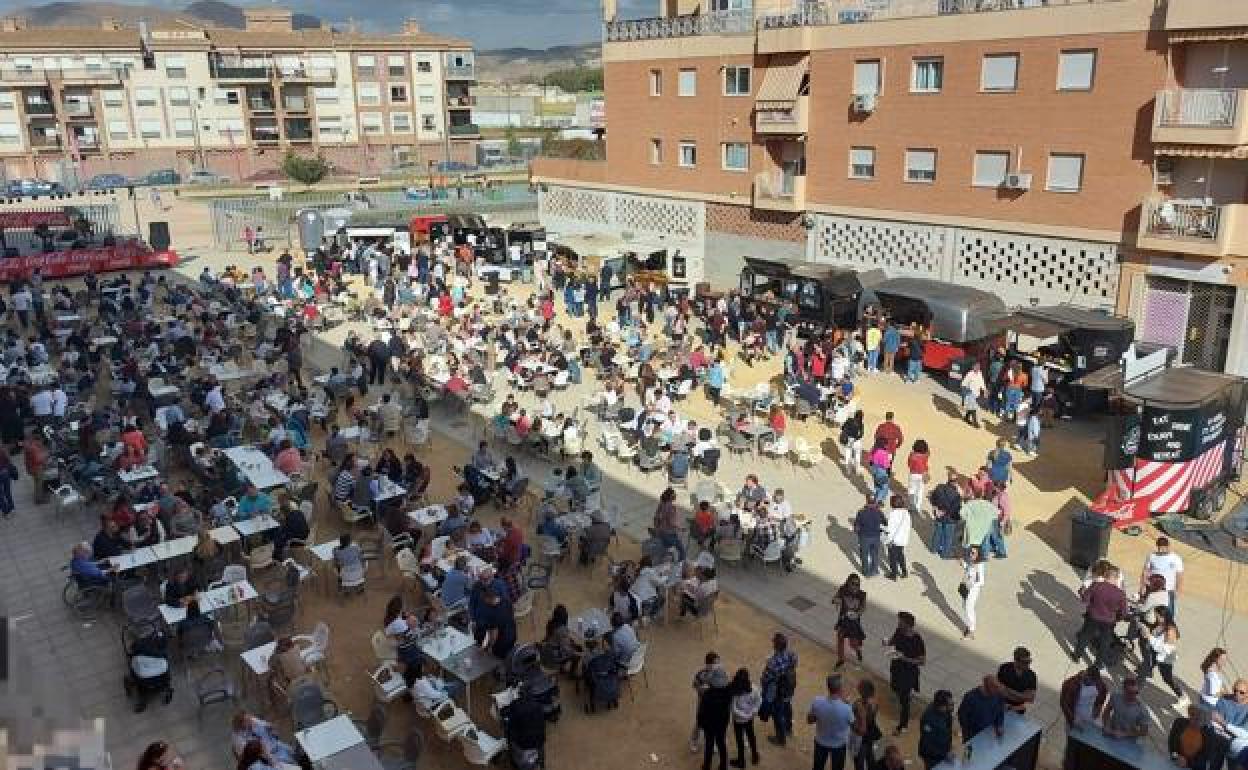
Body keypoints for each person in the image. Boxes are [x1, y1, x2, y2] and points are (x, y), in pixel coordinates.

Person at [1072, 563, 1127, 666]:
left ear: (1106, 576)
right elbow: (1124, 612)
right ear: (1115, 578)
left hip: (1092, 616)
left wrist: (1090, 607)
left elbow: (1085, 599)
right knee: (1105, 642)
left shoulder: (1095, 585)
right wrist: (1117, 618)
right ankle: (1098, 663)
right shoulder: (1120, 594)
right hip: (1109, 621)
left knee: (1085, 636)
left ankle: (1076, 656)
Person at [884, 611, 925, 735]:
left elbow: (922, 661)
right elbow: (893, 641)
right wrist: (887, 642)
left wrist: (905, 658)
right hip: (896, 668)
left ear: (908, 625)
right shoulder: (899, 631)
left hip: (907, 673)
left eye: (900, 622)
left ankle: (903, 724)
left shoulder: (917, 640)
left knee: (904, 699)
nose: (898, 623)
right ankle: (902, 698)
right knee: (895, 688)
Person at [807, 674, 853, 770]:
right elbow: (853, 724)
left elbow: (810, 720)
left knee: (818, 767)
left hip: (821, 741)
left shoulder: (817, 701)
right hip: (839, 744)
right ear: (840, 688)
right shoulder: (847, 708)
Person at [761, 633, 798, 746]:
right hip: (789, 686)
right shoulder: (792, 654)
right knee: (787, 706)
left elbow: (766, 678)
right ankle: (788, 728)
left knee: (777, 714)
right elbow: (794, 665)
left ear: (775, 646)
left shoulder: (772, 662)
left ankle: (780, 739)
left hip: (778, 690)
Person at [699, 667, 734, 770]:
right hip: (722, 722)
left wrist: (701, 723)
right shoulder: (728, 693)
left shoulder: (707, 695)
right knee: (721, 743)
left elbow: (702, 712)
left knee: (709, 744)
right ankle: (723, 765)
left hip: (709, 724)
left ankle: (707, 766)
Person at [1141, 536, 1184, 620]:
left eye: (1163, 548)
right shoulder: (1151, 556)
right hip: (1152, 589)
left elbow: (1179, 575)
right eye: (1159, 548)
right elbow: (1145, 571)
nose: (1160, 550)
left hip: (1168, 591)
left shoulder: (1176, 558)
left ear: (1168, 546)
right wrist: (1142, 586)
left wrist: (1178, 590)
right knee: (1148, 611)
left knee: (1168, 614)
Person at [1168, 705, 1223, 770]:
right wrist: (1176, 756)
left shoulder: (1210, 735)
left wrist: (1187, 763)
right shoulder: (1179, 723)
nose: (1194, 719)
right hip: (1175, 763)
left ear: (1205, 721)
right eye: (1193, 715)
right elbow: (1171, 744)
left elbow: (1206, 758)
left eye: (1199, 718)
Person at [692, 652, 725, 753]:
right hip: (703, 704)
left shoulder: (720, 673)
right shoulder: (701, 674)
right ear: (708, 664)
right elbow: (695, 686)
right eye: (716, 663)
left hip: (715, 705)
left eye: (718, 662)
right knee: (699, 723)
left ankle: (713, 742)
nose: (718, 665)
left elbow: (724, 685)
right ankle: (694, 741)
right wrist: (703, 689)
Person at [832, 574, 866, 669]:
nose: (856, 586)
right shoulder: (843, 590)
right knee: (840, 640)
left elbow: (863, 608)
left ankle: (858, 650)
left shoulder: (862, 594)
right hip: (843, 621)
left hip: (854, 623)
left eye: (858, 584)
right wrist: (836, 600)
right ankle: (841, 659)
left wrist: (857, 614)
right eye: (853, 584)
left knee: (853, 643)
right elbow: (834, 599)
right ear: (848, 583)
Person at [729, 668, 761, 768]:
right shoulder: (754, 689)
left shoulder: (735, 690)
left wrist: (746, 715)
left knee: (740, 740)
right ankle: (755, 755)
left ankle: (741, 761)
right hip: (749, 718)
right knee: (751, 736)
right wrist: (751, 713)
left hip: (739, 720)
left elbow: (733, 708)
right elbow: (758, 702)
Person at [473, 586, 517, 659]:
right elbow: (511, 616)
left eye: (483, 599)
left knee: (499, 661)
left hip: (501, 642)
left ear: (488, 598)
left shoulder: (491, 613)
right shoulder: (506, 601)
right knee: (510, 656)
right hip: (512, 635)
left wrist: (487, 647)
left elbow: (493, 634)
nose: (483, 602)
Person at [540, 604, 583, 677]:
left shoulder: (550, 623)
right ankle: (571, 674)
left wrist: (569, 640)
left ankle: (562, 668)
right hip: (552, 658)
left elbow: (556, 639)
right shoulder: (562, 630)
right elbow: (566, 650)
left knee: (573, 645)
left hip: (545, 652)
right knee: (578, 650)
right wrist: (580, 653)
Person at [1102, 676, 1150, 741]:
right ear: (1124, 690)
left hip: (1128, 740)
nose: (1133, 696)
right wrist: (1106, 725)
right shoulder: (1115, 697)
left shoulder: (1142, 710)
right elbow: (1107, 711)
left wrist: (1124, 734)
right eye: (1130, 692)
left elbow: (1144, 731)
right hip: (1111, 732)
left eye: (1136, 693)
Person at [957, 676, 1005, 740]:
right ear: (987, 687)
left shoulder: (998, 695)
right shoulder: (970, 697)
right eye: (995, 688)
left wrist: (999, 725)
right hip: (973, 734)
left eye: (998, 687)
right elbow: (962, 716)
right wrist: (968, 734)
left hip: (990, 732)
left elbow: (1000, 711)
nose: (997, 691)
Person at [917, 690, 955, 770]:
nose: (952, 707)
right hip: (931, 756)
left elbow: (948, 729)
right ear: (942, 706)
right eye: (950, 705)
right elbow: (927, 745)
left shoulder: (946, 712)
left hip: (943, 750)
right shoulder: (928, 720)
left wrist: (948, 747)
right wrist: (944, 754)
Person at [850, 679, 882, 770]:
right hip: (875, 733)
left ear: (862, 691)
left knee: (859, 763)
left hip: (860, 737)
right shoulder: (875, 703)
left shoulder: (857, 704)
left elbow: (855, 721)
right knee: (874, 762)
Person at [996, 647, 1037, 715]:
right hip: (1001, 705)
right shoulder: (1005, 668)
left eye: (1029, 661)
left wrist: (1008, 690)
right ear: (1016, 661)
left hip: (1018, 710)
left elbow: (1030, 698)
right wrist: (1021, 696)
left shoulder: (1031, 675)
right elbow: (998, 689)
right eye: (1025, 662)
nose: (1028, 665)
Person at [852, 496, 883, 578]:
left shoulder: (861, 512)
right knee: (874, 554)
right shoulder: (878, 512)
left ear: (867, 501)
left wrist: (857, 533)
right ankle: (875, 570)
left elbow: (856, 526)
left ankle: (866, 572)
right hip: (876, 537)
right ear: (875, 501)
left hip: (864, 537)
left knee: (864, 555)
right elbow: (885, 522)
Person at [653, 486, 686, 563]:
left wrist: (657, 528)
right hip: (670, 533)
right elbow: (671, 522)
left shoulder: (661, 504)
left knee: (665, 548)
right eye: (674, 494)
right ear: (671, 497)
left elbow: (656, 517)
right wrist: (681, 528)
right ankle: (679, 566)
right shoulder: (671, 507)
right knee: (681, 550)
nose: (676, 496)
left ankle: (663, 562)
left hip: (661, 532)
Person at [960, 545, 985, 640]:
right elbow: (969, 570)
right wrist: (964, 565)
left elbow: (981, 581)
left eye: (973, 553)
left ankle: (971, 631)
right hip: (966, 586)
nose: (971, 554)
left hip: (972, 590)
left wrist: (971, 585)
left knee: (968, 608)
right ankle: (968, 626)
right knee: (964, 607)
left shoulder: (979, 565)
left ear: (978, 554)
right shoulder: (972, 562)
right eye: (971, 552)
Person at [883, 495, 911, 581]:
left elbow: (890, 530)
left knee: (892, 558)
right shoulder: (906, 513)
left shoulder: (892, 514)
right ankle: (904, 571)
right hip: (903, 539)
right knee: (900, 555)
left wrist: (887, 539)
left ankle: (893, 574)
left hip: (894, 540)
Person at [906, 440, 930, 513]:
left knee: (911, 489)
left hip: (913, 474)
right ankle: (918, 507)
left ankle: (911, 505)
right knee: (920, 491)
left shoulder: (912, 455)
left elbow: (909, 464)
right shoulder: (925, 456)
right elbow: (928, 453)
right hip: (922, 475)